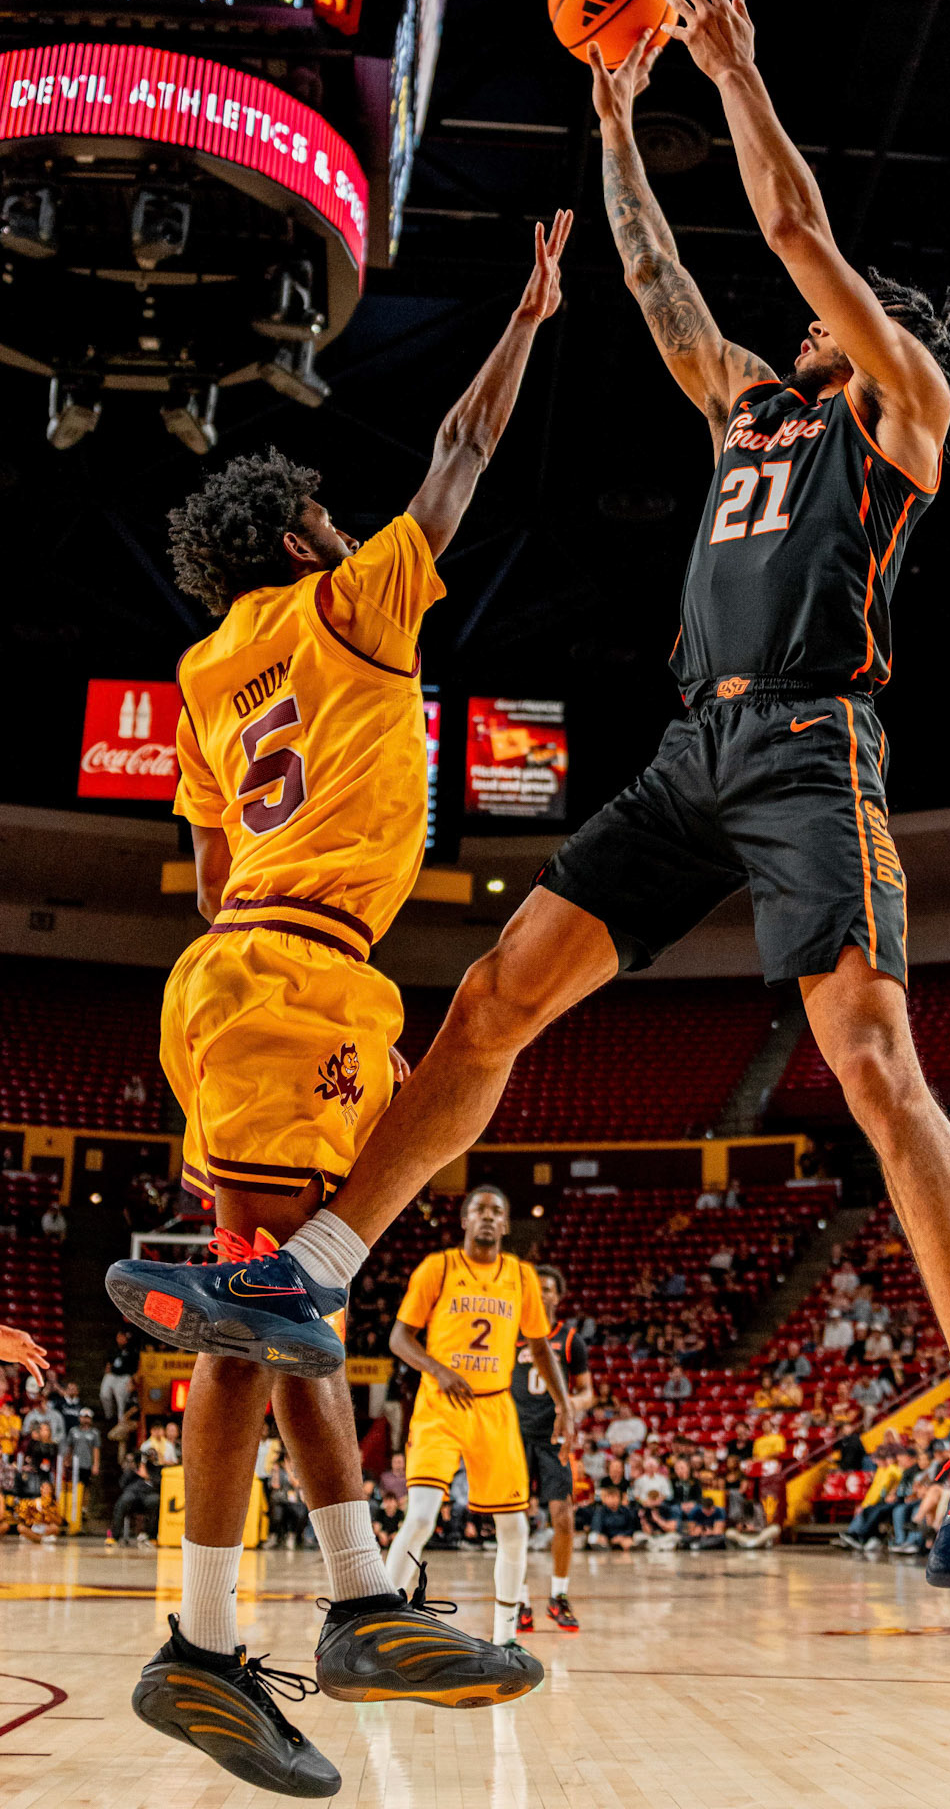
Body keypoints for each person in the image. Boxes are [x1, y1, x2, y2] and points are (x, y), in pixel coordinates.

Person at [121, 0, 950, 1592]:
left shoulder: (894, 411)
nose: (804, 319)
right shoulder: (748, 411)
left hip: (813, 738)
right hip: (696, 746)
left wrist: (736, 73)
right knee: (487, 999)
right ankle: (316, 1265)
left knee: (871, 1059)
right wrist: (615, 119)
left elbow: (792, 234)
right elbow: (659, 274)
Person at [105, 218, 574, 1794]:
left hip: (241, 969)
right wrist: (527, 313)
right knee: (258, 1326)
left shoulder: (201, 674)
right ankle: (207, 1646)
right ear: (304, 537)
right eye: (320, 509)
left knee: (281, 1311)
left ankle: (358, 1602)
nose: (335, 516)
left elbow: (205, 856)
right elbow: (460, 449)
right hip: (296, 975)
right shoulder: (352, 606)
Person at [385, 1188, 573, 1653]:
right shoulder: (439, 1267)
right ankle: (376, 1625)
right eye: (479, 1211)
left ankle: (506, 1637)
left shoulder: (521, 1276)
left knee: (515, 1529)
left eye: (497, 1212)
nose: (488, 1218)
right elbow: (399, 1338)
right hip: (440, 1406)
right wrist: (439, 1369)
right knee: (422, 1517)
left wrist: (565, 1405)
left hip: (495, 1409)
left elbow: (542, 1348)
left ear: (506, 1225)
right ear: (465, 1221)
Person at [512, 1263, 594, 1637]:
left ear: (558, 1296)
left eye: (549, 1288)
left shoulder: (570, 1338)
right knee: (514, 1521)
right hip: (513, 1435)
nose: (542, 1293)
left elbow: (589, 1393)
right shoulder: (509, 1336)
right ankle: (520, 1600)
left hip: (553, 1437)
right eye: (537, 1287)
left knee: (563, 1516)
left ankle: (558, 1597)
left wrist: (567, 1405)